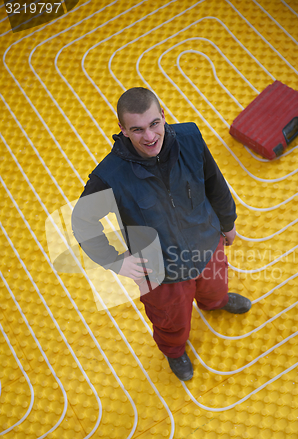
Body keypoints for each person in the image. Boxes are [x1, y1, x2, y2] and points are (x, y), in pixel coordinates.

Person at [72, 87, 251, 382]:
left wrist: (227, 222)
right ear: (123, 130)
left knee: (216, 287)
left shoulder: (191, 139)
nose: (149, 136)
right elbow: (82, 220)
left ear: (163, 114)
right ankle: (174, 350)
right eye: (137, 129)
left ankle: (215, 303)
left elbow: (213, 182)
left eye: (154, 123)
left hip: (207, 244)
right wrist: (114, 261)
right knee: (171, 320)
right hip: (160, 273)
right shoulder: (110, 176)